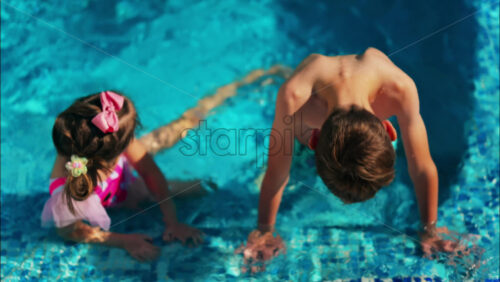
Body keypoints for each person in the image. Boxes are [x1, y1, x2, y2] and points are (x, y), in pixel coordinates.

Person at [239, 47, 461, 263]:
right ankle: (277, 73)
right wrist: (264, 231)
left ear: (390, 131)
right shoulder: (295, 94)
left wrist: (430, 231)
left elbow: (422, 168)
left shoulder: (399, 86)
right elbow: (278, 172)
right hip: (303, 135)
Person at [41, 91, 205, 262]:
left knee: (173, 138)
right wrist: (124, 241)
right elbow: (68, 230)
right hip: (115, 189)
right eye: (131, 135)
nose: (132, 137)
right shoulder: (68, 190)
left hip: (123, 182)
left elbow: (151, 173)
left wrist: (172, 220)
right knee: (197, 187)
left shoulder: (102, 139)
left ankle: (209, 104)